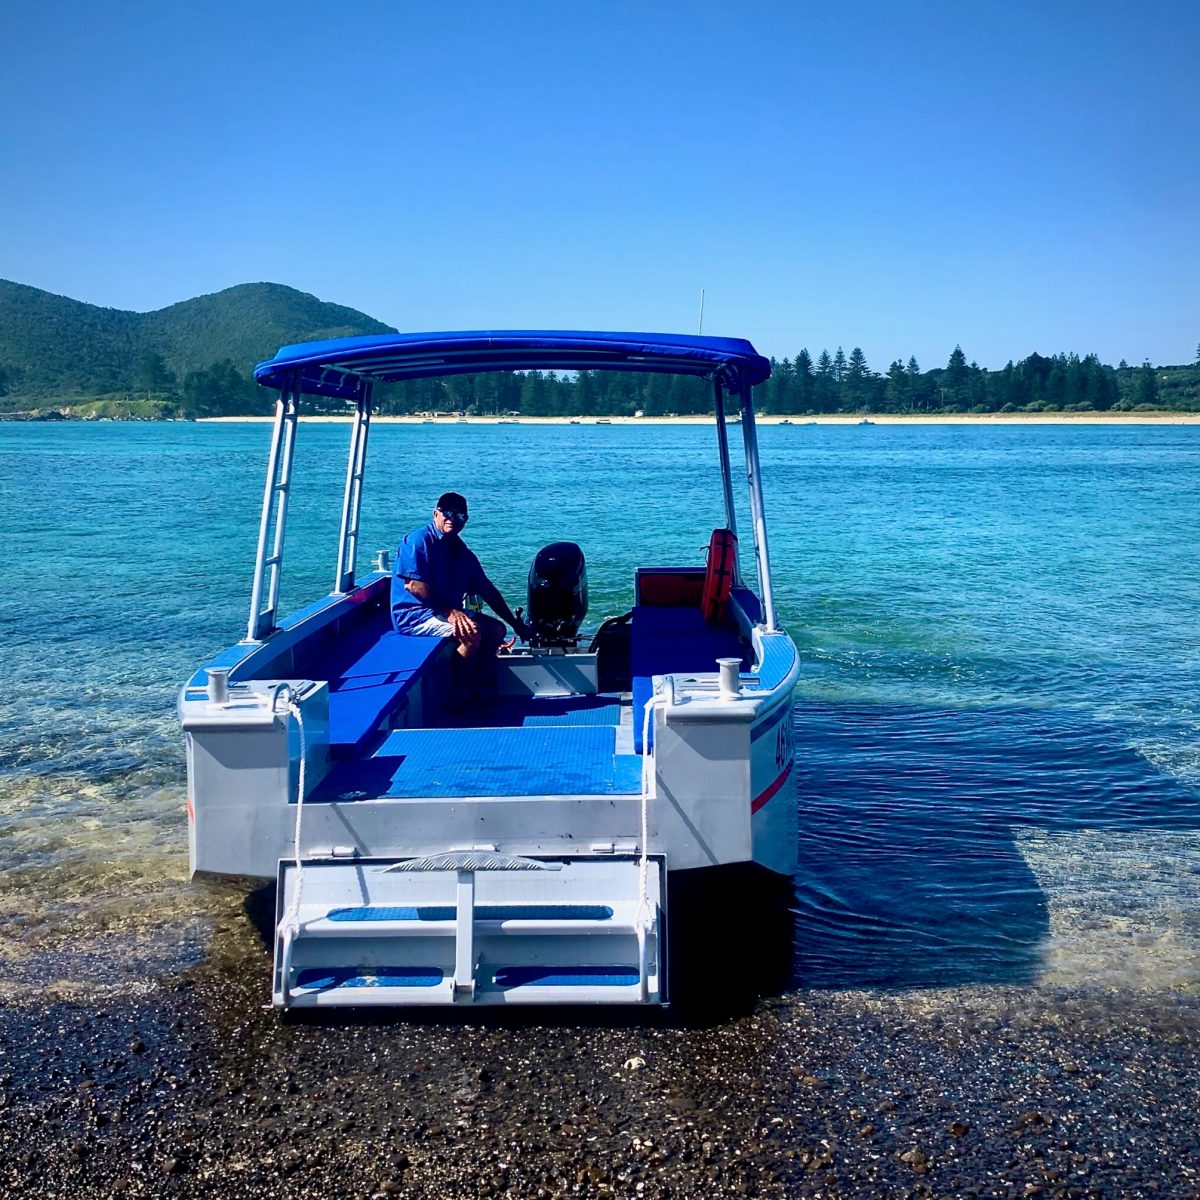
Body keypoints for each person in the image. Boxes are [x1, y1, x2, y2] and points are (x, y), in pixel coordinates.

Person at [391, 492, 529, 703]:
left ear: (466, 520)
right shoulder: (418, 541)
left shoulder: (461, 552)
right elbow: (414, 586)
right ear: (435, 514)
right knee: (471, 633)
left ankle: (482, 686)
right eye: (446, 513)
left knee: (497, 629)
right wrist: (451, 612)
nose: (451, 519)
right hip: (414, 616)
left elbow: (488, 591)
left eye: (459, 515)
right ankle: (460, 698)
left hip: (443, 612)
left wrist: (514, 624)